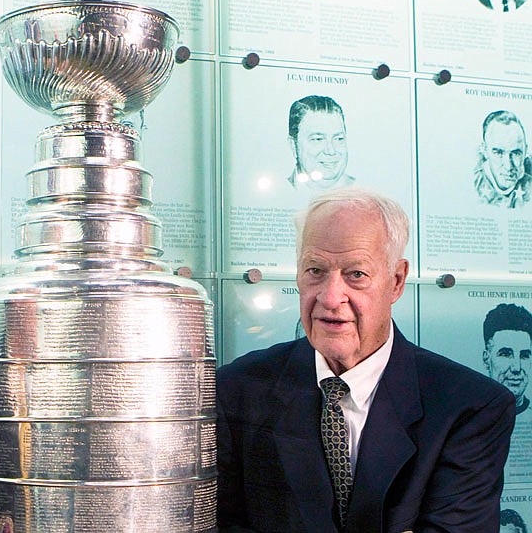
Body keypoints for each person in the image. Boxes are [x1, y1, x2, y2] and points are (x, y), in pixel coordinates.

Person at [217, 187, 516, 532]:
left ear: (396, 281)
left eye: (355, 274)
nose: (330, 297)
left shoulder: (469, 407)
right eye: (315, 270)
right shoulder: (236, 390)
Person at [287, 95, 354, 190]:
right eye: (318, 139)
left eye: (339, 139)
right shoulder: (280, 190)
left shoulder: (366, 192)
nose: (331, 151)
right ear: (293, 145)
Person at [473, 110, 532, 207]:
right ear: (485, 150)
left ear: (525, 151)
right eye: (498, 153)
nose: (508, 166)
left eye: (516, 153)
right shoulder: (473, 183)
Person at [483, 303, 532, 415]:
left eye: (524, 355)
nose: (516, 368)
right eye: (505, 354)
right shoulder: (467, 418)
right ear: (487, 359)